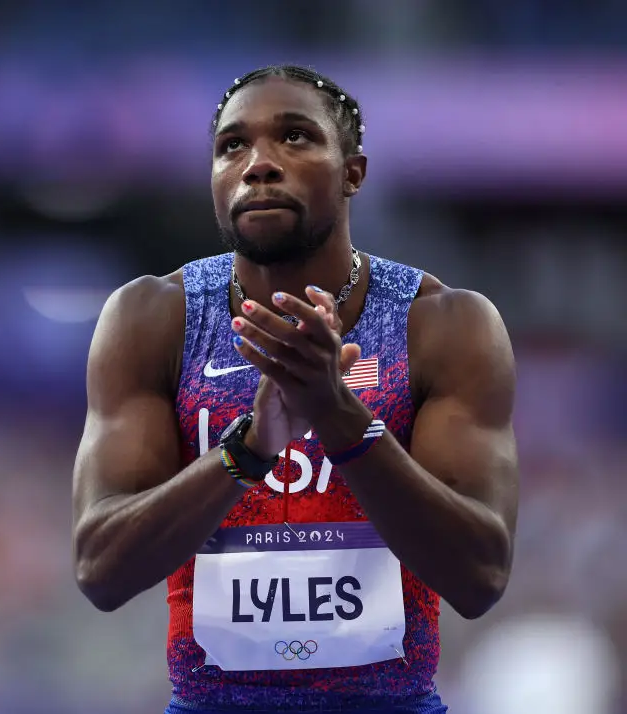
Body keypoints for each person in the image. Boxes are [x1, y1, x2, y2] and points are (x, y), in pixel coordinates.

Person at [71, 64, 519, 714]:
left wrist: (337, 417)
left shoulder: (443, 324)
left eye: (295, 137)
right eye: (233, 146)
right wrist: (247, 451)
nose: (259, 164)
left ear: (353, 173)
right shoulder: (154, 318)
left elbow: (479, 578)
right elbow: (101, 571)